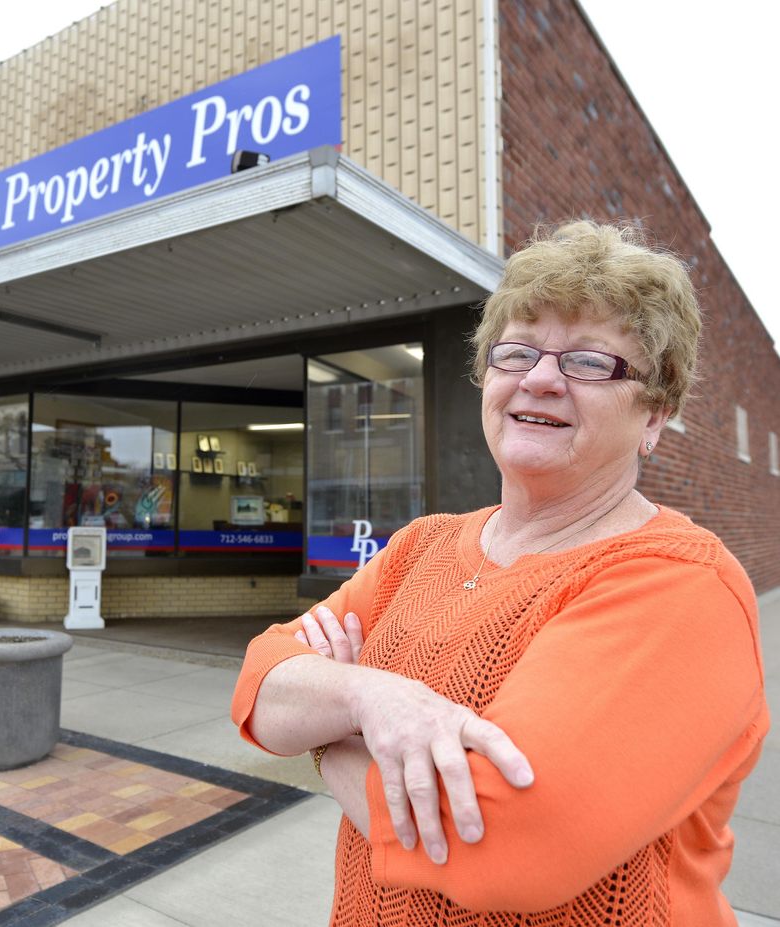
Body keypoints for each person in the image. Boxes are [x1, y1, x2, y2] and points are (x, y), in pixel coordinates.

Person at [230, 220, 770, 926]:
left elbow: (497, 841)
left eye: (587, 362)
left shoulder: (679, 583)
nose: (540, 379)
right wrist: (369, 698)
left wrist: (327, 732)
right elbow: (260, 684)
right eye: (516, 352)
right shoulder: (423, 545)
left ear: (655, 416)